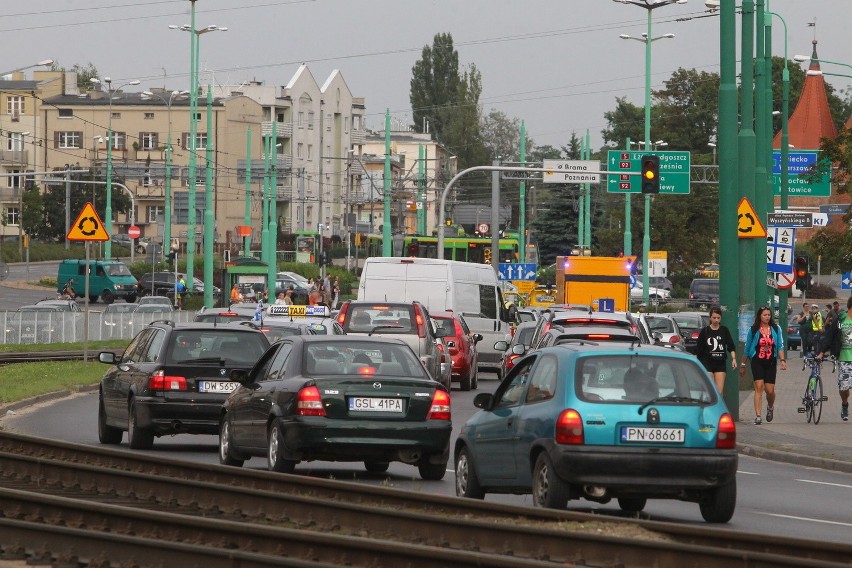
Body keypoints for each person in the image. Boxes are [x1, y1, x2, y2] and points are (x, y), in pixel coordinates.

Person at [741, 306, 786, 425]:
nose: (767, 317)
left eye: (768, 315)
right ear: (759, 316)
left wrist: (782, 360)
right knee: (759, 387)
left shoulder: (776, 329)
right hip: (757, 361)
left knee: (770, 391)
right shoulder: (754, 329)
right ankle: (758, 415)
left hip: (770, 361)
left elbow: (780, 345)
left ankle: (770, 407)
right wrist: (743, 364)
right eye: (765, 315)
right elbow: (747, 347)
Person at [818, 296, 852, 421]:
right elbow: (829, 337)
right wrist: (821, 352)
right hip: (844, 358)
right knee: (844, 388)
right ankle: (844, 404)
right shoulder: (840, 320)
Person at [696, 306, 738, 393]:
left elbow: (731, 346)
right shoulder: (705, 331)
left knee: (719, 392)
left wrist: (733, 359)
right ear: (710, 318)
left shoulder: (724, 330)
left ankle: (718, 405)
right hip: (707, 362)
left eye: (718, 318)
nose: (716, 320)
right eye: (714, 318)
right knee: (710, 390)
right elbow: (698, 348)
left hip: (720, 363)